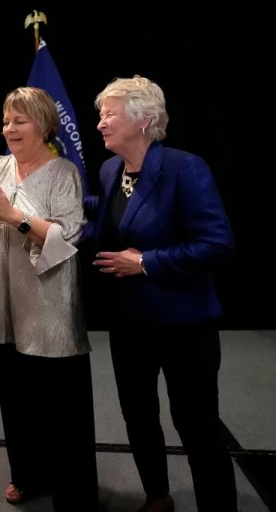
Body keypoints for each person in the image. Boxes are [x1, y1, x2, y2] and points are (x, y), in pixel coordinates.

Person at [91, 75, 237, 512]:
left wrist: (146, 262)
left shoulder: (184, 167)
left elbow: (217, 244)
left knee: (197, 425)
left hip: (184, 323)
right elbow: (107, 226)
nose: (100, 123)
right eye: (101, 114)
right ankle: (157, 496)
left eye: (110, 114)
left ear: (145, 119)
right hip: (128, 321)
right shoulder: (109, 170)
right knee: (138, 417)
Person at [0, 87, 98, 510]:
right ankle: (29, 475)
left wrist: (16, 217)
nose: (9, 129)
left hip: (48, 310)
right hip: (1, 306)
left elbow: (70, 236)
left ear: (43, 125)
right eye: (6, 121)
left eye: (19, 121)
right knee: (16, 401)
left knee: (61, 411)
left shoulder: (63, 172)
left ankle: (74, 495)